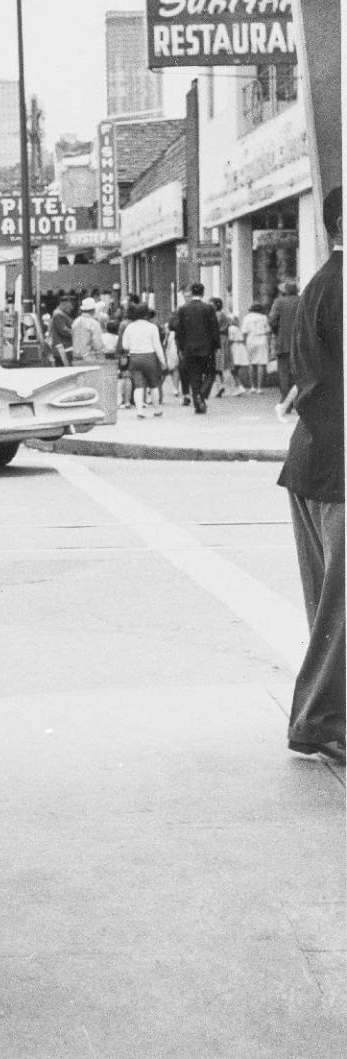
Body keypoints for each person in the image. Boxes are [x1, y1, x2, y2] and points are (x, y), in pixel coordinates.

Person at [277, 186, 344, 765]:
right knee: (339, 609)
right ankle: (319, 720)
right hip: (337, 468)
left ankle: (328, 717)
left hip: (313, 463)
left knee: (328, 605)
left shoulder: (320, 284)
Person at [172, 282, 221, 413]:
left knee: (194, 376)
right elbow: (214, 328)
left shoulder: (183, 309)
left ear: (192, 293)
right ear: (203, 293)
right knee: (211, 373)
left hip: (189, 348)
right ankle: (202, 395)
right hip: (207, 348)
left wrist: (180, 348)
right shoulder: (208, 308)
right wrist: (217, 345)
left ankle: (197, 402)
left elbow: (179, 331)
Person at [119, 302, 165, 417]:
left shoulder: (130, 327)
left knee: (138, 386)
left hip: (134, 357)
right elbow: (157, 346)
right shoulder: (152, 327)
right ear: (147, 314)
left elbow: (125, 346)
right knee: (154, 385)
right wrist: (163, 361)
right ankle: (157, 410)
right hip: (150, 357)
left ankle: (139, 411)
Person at [269, 279, 301, 407]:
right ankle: (298, 401)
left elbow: (272, 320)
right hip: (300, 344)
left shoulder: (279, 302)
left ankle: (286, 403)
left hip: (283, 343)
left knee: (284, 374)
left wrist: (277, 332)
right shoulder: (302, 300)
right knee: (298, 373)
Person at [240, 301, 271, 392]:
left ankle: (253, 387)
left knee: (251, 364)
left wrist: (244, 343)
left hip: (251, 340)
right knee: (261, 364)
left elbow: (244, 332)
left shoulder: (247, 318)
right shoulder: (264, 317)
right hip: (262, 339)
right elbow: (268, 330)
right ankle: (260, 387)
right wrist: (269, 344)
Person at [71, 296, 105, 362]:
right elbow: (97, 345)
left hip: (75, 357)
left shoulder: (75, 321)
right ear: (93, 310)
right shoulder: (94, 323)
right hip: (89, 358)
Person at [49, 292, 75, 365]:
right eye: (70, 306)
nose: (72, 308)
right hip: (62, 347)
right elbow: (63, 330)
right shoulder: (58, 314)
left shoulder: (62, 313)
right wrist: (76, 334)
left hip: (65, 346)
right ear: (64, 303)